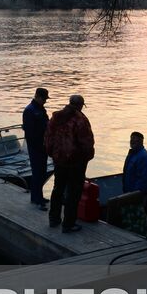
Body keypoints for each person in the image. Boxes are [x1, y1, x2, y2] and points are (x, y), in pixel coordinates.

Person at [45, 94, 95, 233]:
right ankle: (68, 224)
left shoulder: (56, 117)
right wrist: (88, 156)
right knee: (73, 193)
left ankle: (53, 218)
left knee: (58, 189)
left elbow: (48, 137)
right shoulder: (80, 120)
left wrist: (52, 154)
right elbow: (87, 142)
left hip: (59, 160)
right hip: (76, 163)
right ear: (80, 105)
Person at [22, 86, 50, 209]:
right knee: (37, 173)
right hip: (35, 147)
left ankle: (38, 196)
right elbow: (30, 132)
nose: (45, 101)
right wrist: (38, 146)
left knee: (42, 172)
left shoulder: (40, 109)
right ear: (37, 97)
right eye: (44, 99)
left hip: (43, 146)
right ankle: (37, 199)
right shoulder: (29, 110)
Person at [122, 132, 147, 217]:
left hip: (142, 195)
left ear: (141, 142)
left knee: (142, 217)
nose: (132, 142)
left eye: (135, 141)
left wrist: (135, 195)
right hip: (131, 194)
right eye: (131, 140)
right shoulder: (132, 154)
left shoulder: (143, 157)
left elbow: (144, 180)